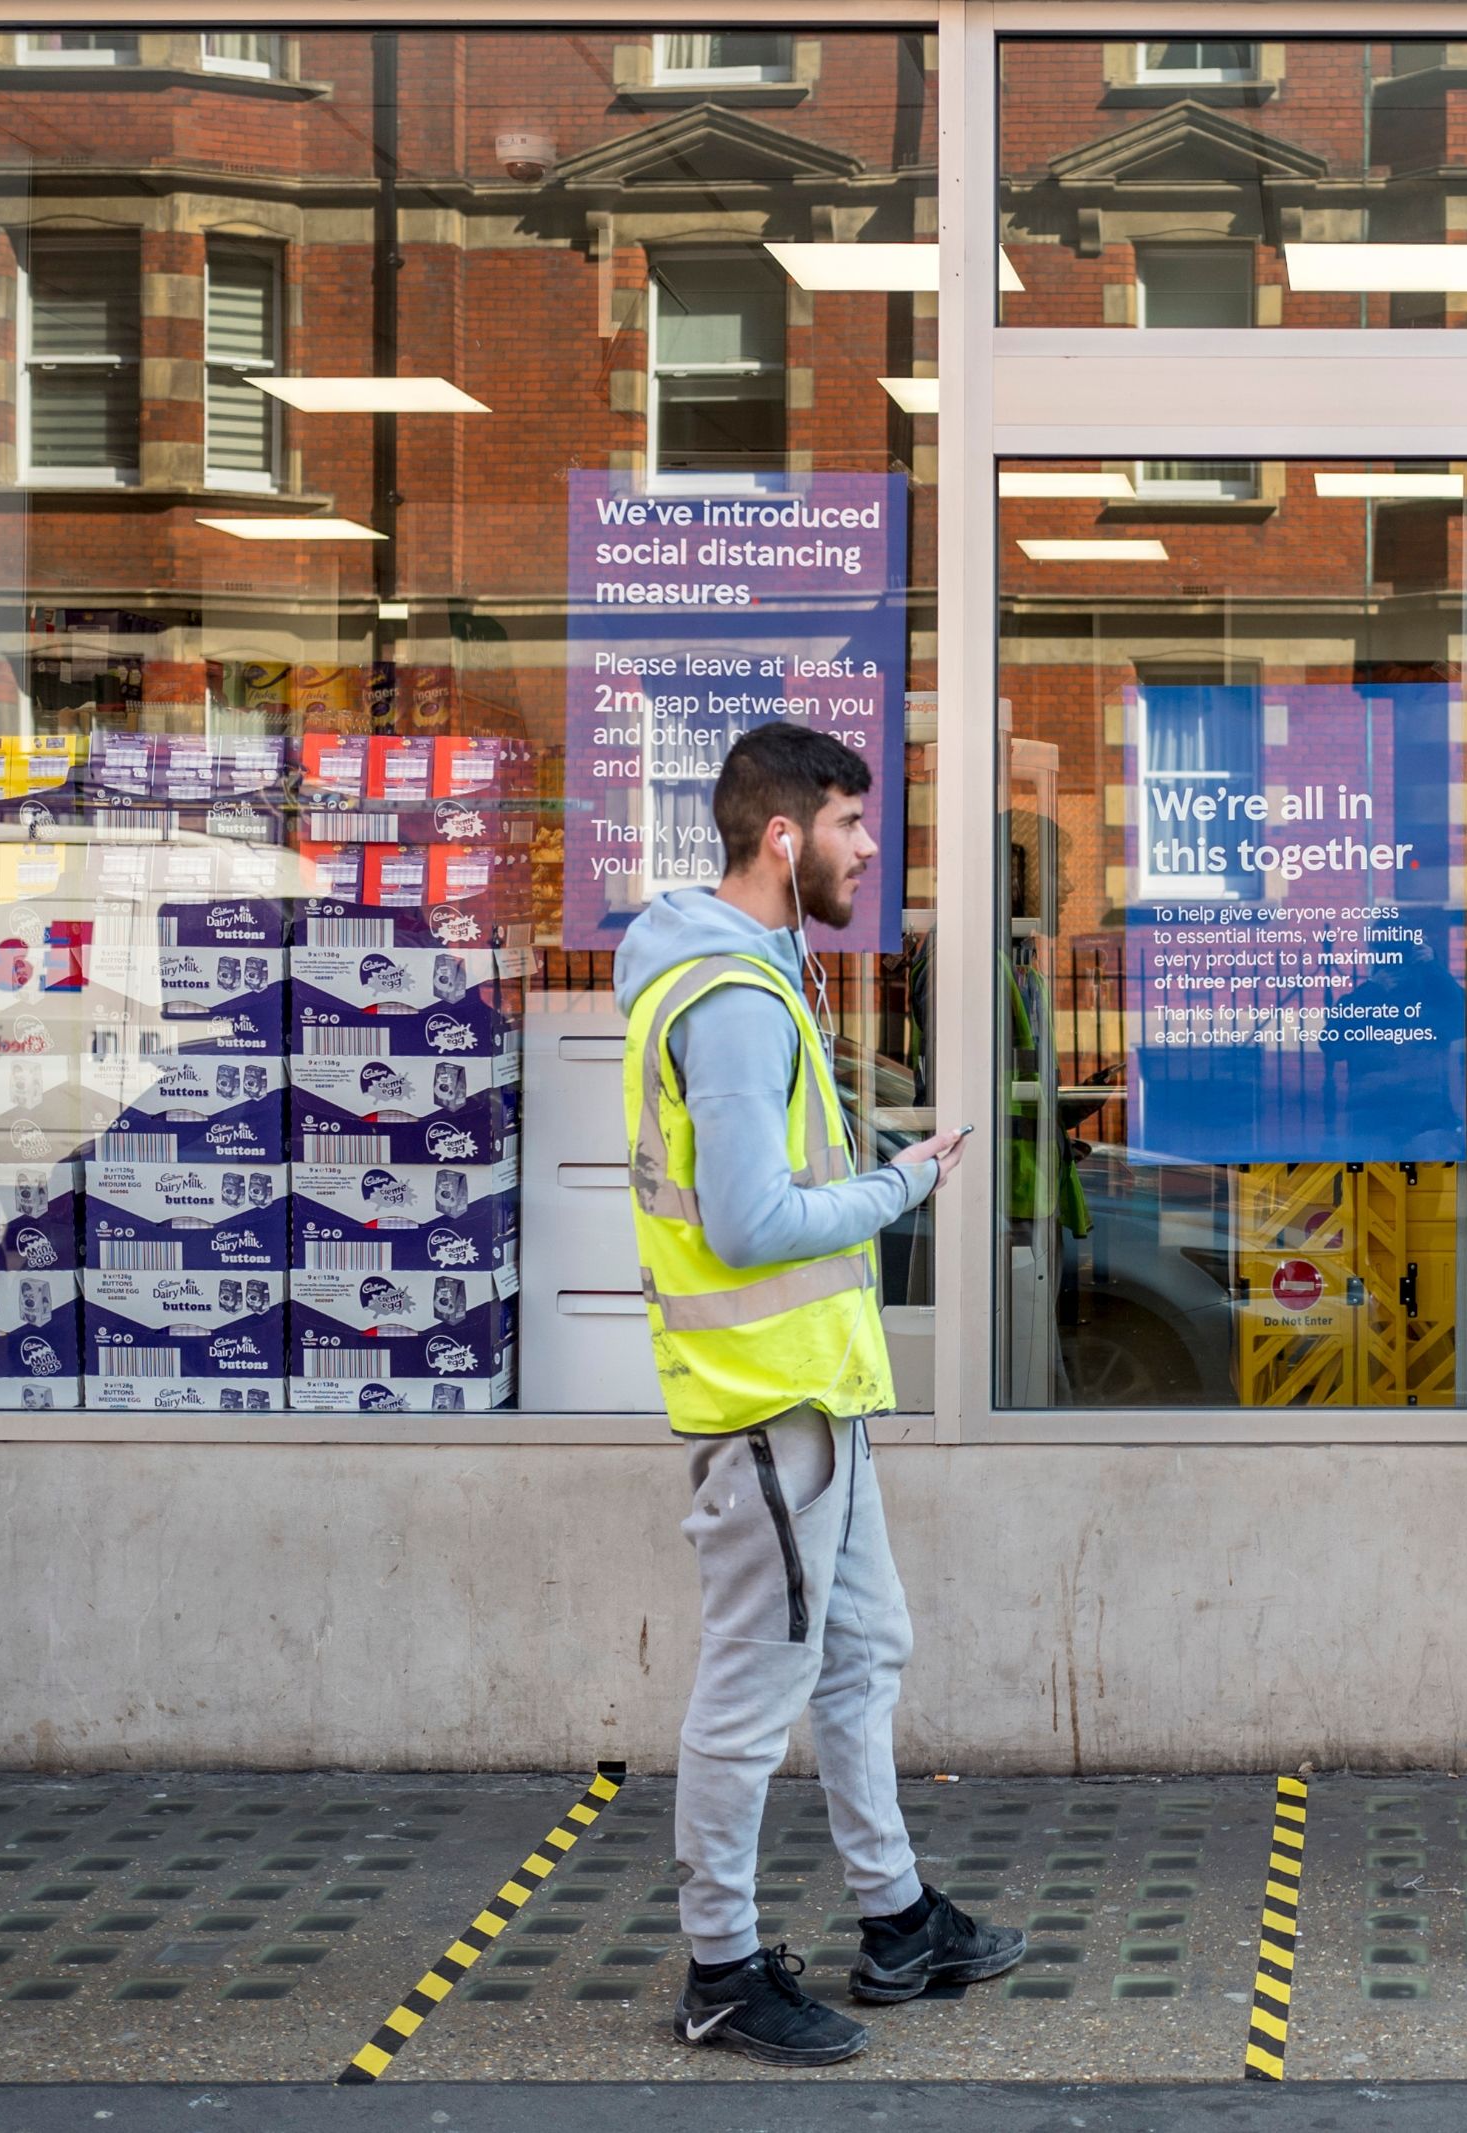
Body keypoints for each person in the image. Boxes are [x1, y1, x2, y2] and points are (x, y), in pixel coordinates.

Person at [613, 721, 1018, 2064]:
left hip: (817, 1403)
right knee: (750, 1692)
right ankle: (724, 1968)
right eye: (852, 828)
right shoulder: (729, 1000)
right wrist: (903, 1183)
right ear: (785, 837)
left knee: (863, 1653)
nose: (867, 856)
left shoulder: (760, 978)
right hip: (770, 1408)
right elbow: (743, 1220)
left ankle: (900, 1919)